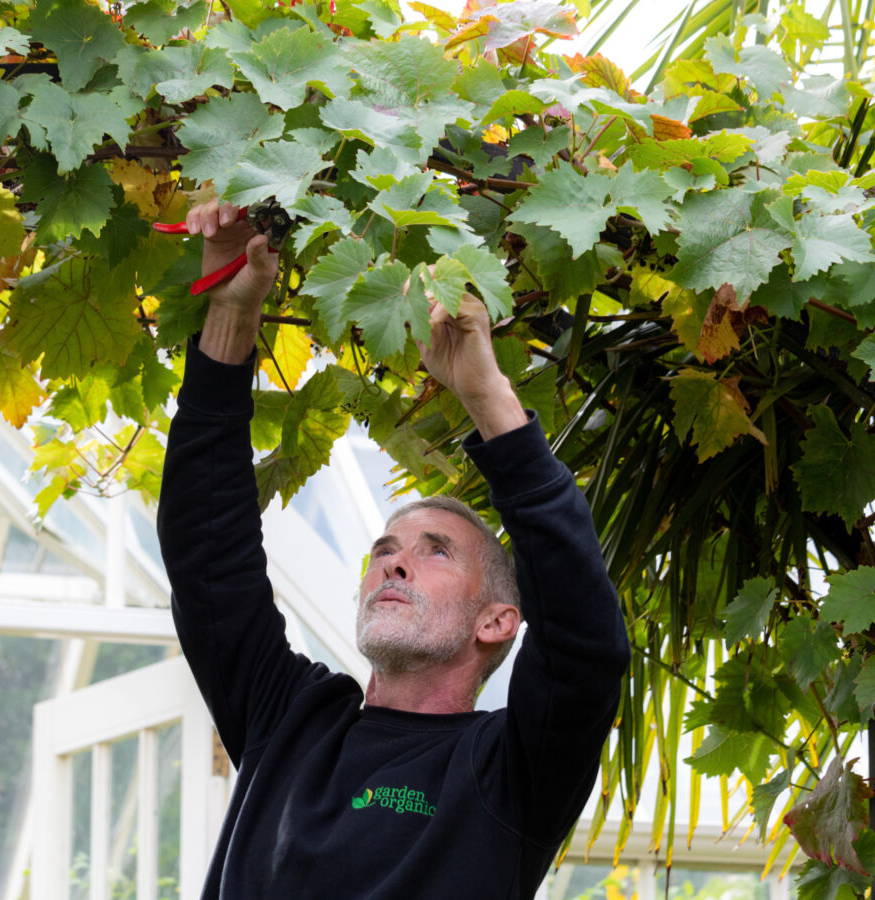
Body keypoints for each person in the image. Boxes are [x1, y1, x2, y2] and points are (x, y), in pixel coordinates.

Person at [156, 201, 631, 899]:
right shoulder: (289, 720)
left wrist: (485, 393)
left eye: (435, 552)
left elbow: (584, 642)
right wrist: (230, 318)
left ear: (497, 620)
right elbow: (207, 557)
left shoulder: (510, 769)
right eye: (385, 547)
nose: (393, 560)